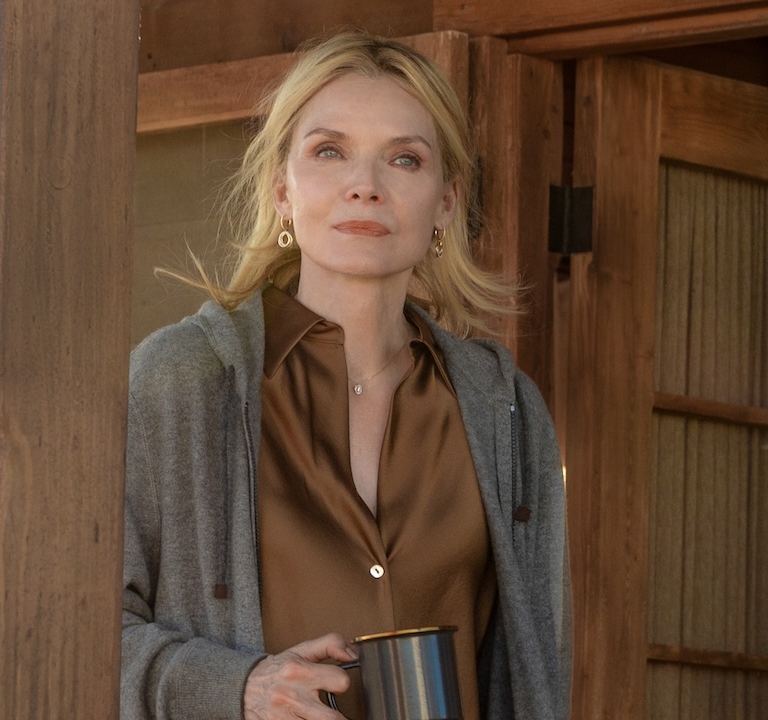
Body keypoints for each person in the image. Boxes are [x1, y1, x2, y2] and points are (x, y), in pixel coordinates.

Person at [120, 31, 571, 720]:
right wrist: (235, 687)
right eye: (329, 151)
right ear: (281, 188)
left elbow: (538, 665)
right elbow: (79, 625)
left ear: (446, 202)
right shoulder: (180, 381)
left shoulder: (505, 408)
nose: (366, 184)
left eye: (405, 158)